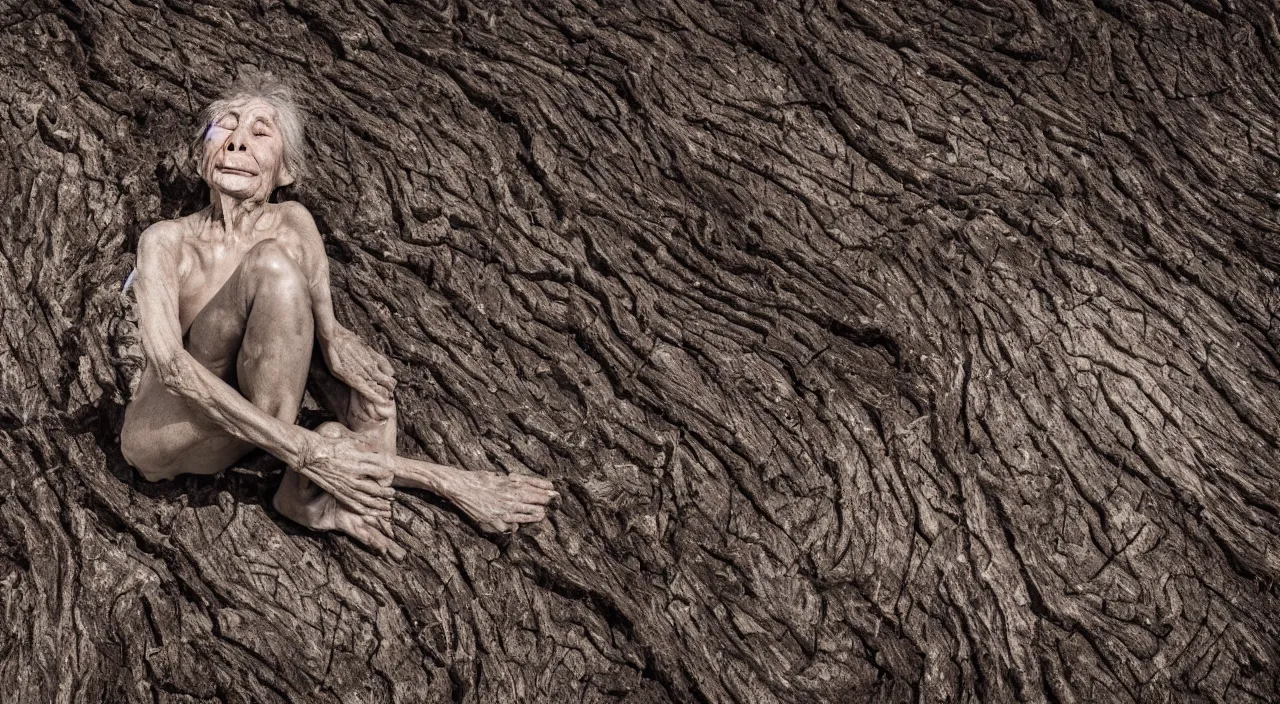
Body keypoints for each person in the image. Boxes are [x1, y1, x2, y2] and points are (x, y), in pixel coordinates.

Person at [120, 74, 556, 558]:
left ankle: (309, 500)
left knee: (372, 390)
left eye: (261, 133)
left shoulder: (293, 223)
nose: (239, 140)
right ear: (201, 155)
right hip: (165, 433)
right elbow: (173, 369)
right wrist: (321, 452)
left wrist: (352, 370)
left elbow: (333, 345)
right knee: (271, 268)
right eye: (225, 127)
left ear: (286, 171)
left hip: (249, 425)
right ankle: (436, 481)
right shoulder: (165, 240)